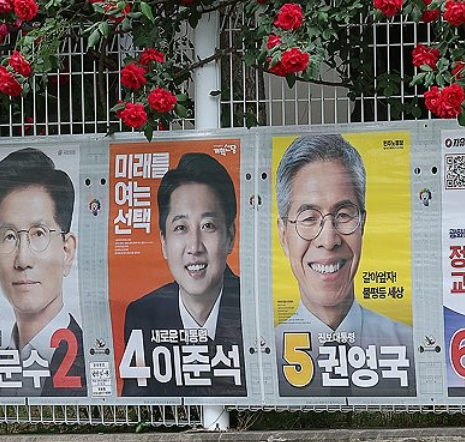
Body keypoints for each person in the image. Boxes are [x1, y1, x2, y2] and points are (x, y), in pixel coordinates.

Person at [275, 133, 413, 395]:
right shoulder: (264, 353)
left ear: (363, 224)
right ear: (283, 235)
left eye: (344, 215)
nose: (328, 240)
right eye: (309, 218)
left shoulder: (407, 345)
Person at [122, 153, 244, 397]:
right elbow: (139, 405)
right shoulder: (144, 315)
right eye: (181, 228)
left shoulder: (255, 309)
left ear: (230, 236)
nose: (195, 246)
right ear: (164, 243)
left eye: (208, 226)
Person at [0, 147, 86, 396]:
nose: (22, 259)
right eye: (9, 236)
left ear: (67, 251)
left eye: (39, 234)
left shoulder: (89, 356)